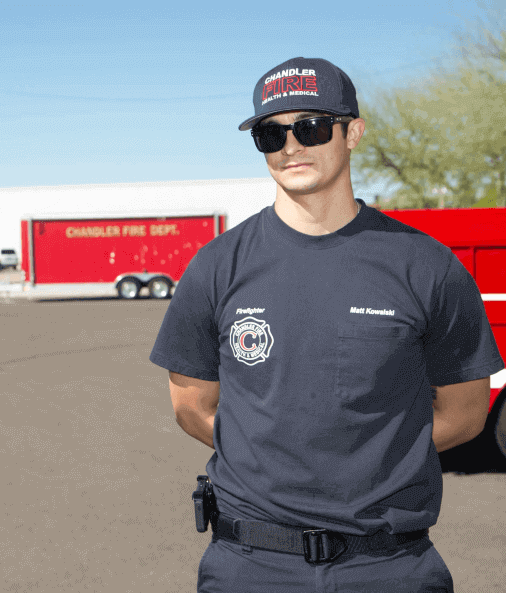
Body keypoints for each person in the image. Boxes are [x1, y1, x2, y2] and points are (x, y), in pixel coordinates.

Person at [150, 56, 504, 592]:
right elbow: (192, 408)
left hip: (389, 565)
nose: (291, 147)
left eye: (311, 127)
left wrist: (370, 461)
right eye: (271, 134)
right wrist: (276, 462)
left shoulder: (426, 266)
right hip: (250, 564)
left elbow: (466, 413)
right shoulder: (217, 267)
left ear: (352, 133)